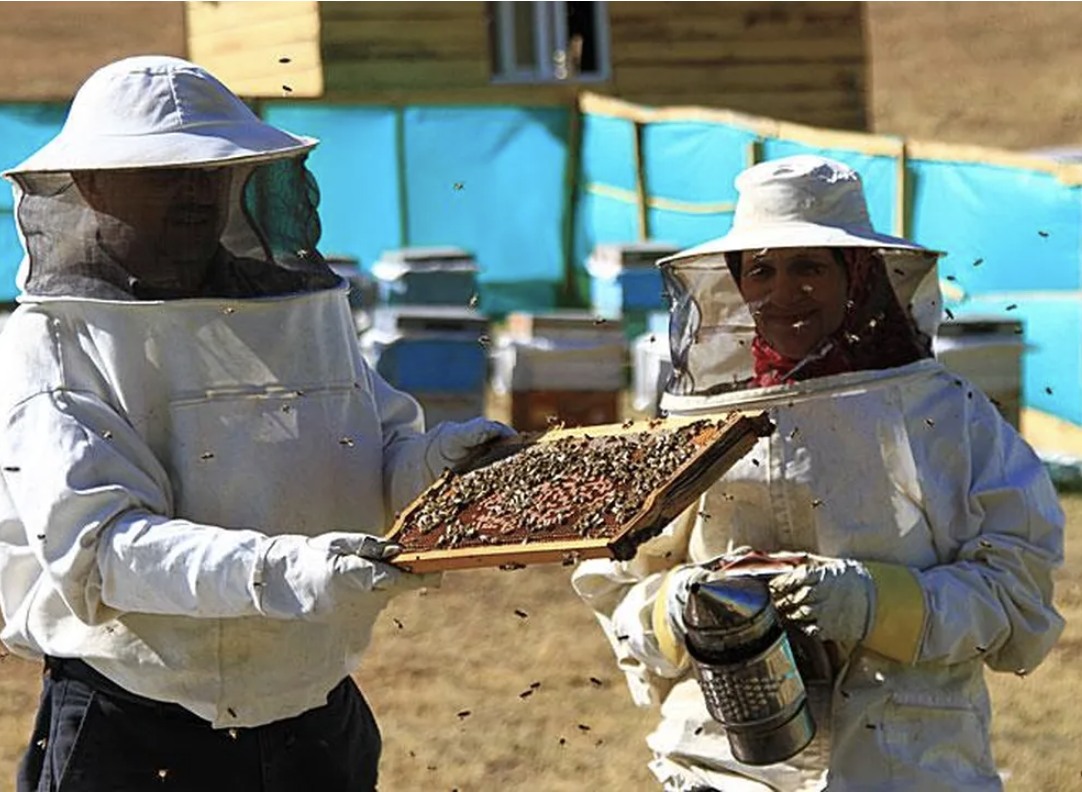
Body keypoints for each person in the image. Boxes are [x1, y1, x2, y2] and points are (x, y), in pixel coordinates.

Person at [0, 55, 514, 792]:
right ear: (91, 184)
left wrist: (435, 467)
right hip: (138, 725)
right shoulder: (54, 341)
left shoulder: (294, 311)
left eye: (210, 171)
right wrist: (284, 571)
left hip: (313, 712)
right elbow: (104, 551)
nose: (194, 191)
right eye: (165, 173)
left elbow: (363, 454)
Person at [572, 154, 1065, 791]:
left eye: (808, 266)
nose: (782, 292)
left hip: (907, 765)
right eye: (761, 270)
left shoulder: (946, 417)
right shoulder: (697, 423)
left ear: (855, 274)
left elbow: (1017, 603)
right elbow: (619, 587)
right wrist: (685, 604)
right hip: (720, 766)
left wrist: (873, 601)